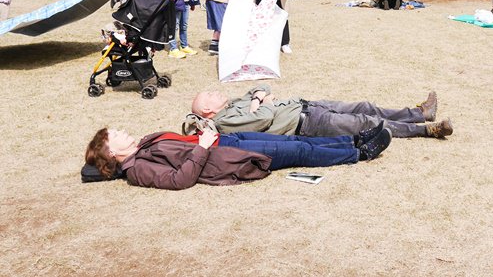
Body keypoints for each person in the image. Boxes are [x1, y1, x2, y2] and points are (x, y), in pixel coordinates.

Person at [83, 125, 392, 190]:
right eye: (117, 135)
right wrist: (203, 146)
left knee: (295, 139)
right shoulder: (138, 169)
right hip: (227, 154)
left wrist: (203, 132)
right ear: (112, 152)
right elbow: (179, 180)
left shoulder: (144, 143)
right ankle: (358, 154)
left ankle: (351, 139)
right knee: (300, 152)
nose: (124, 131)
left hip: (226, 139)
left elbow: (182, 143)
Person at [189, 88, 453, 139]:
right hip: (307, 123)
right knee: (366, 122)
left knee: (365, 106)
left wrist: (259, 97)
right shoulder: (225, 122)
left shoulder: (234, 103)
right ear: (208, 111)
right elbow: (262, 119)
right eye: (209, 96)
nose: (214, 92)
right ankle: (427, 129)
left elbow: (261, 89)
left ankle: (420, 113)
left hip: (308, 105)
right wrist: (263, 102)